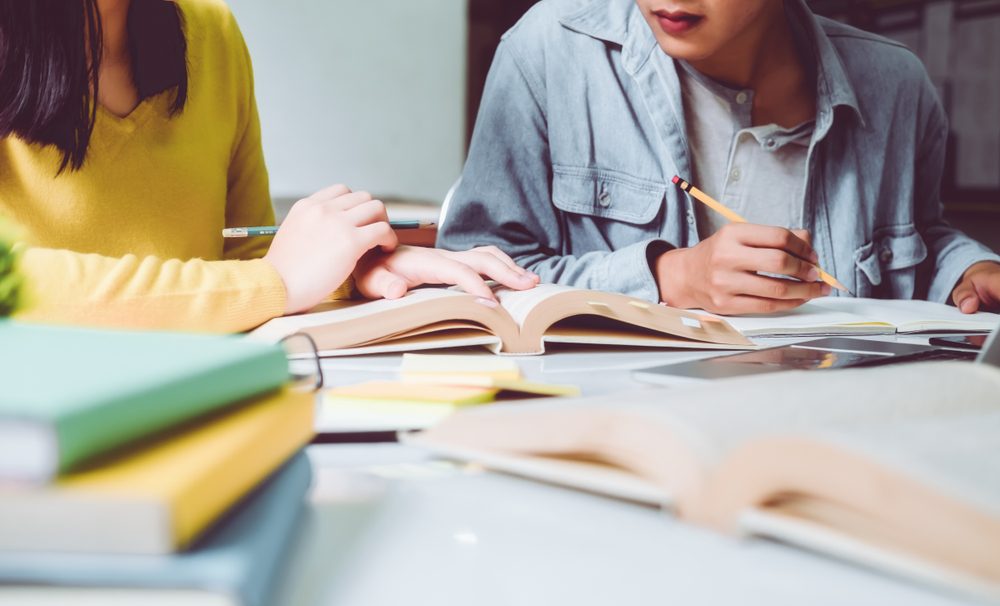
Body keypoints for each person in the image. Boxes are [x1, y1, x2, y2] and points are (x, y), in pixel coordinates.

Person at [0, 0, 537, 334]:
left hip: (198, 406)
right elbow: (13, 288)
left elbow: (249, 257)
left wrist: (353, 273)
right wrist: (273, 282)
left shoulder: (210, 31)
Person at [439, 0, 1000, 315]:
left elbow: (921, 238)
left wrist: (964, 271)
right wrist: (669, 277)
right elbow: (464, 278)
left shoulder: (896, 84)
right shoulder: (549, 51)